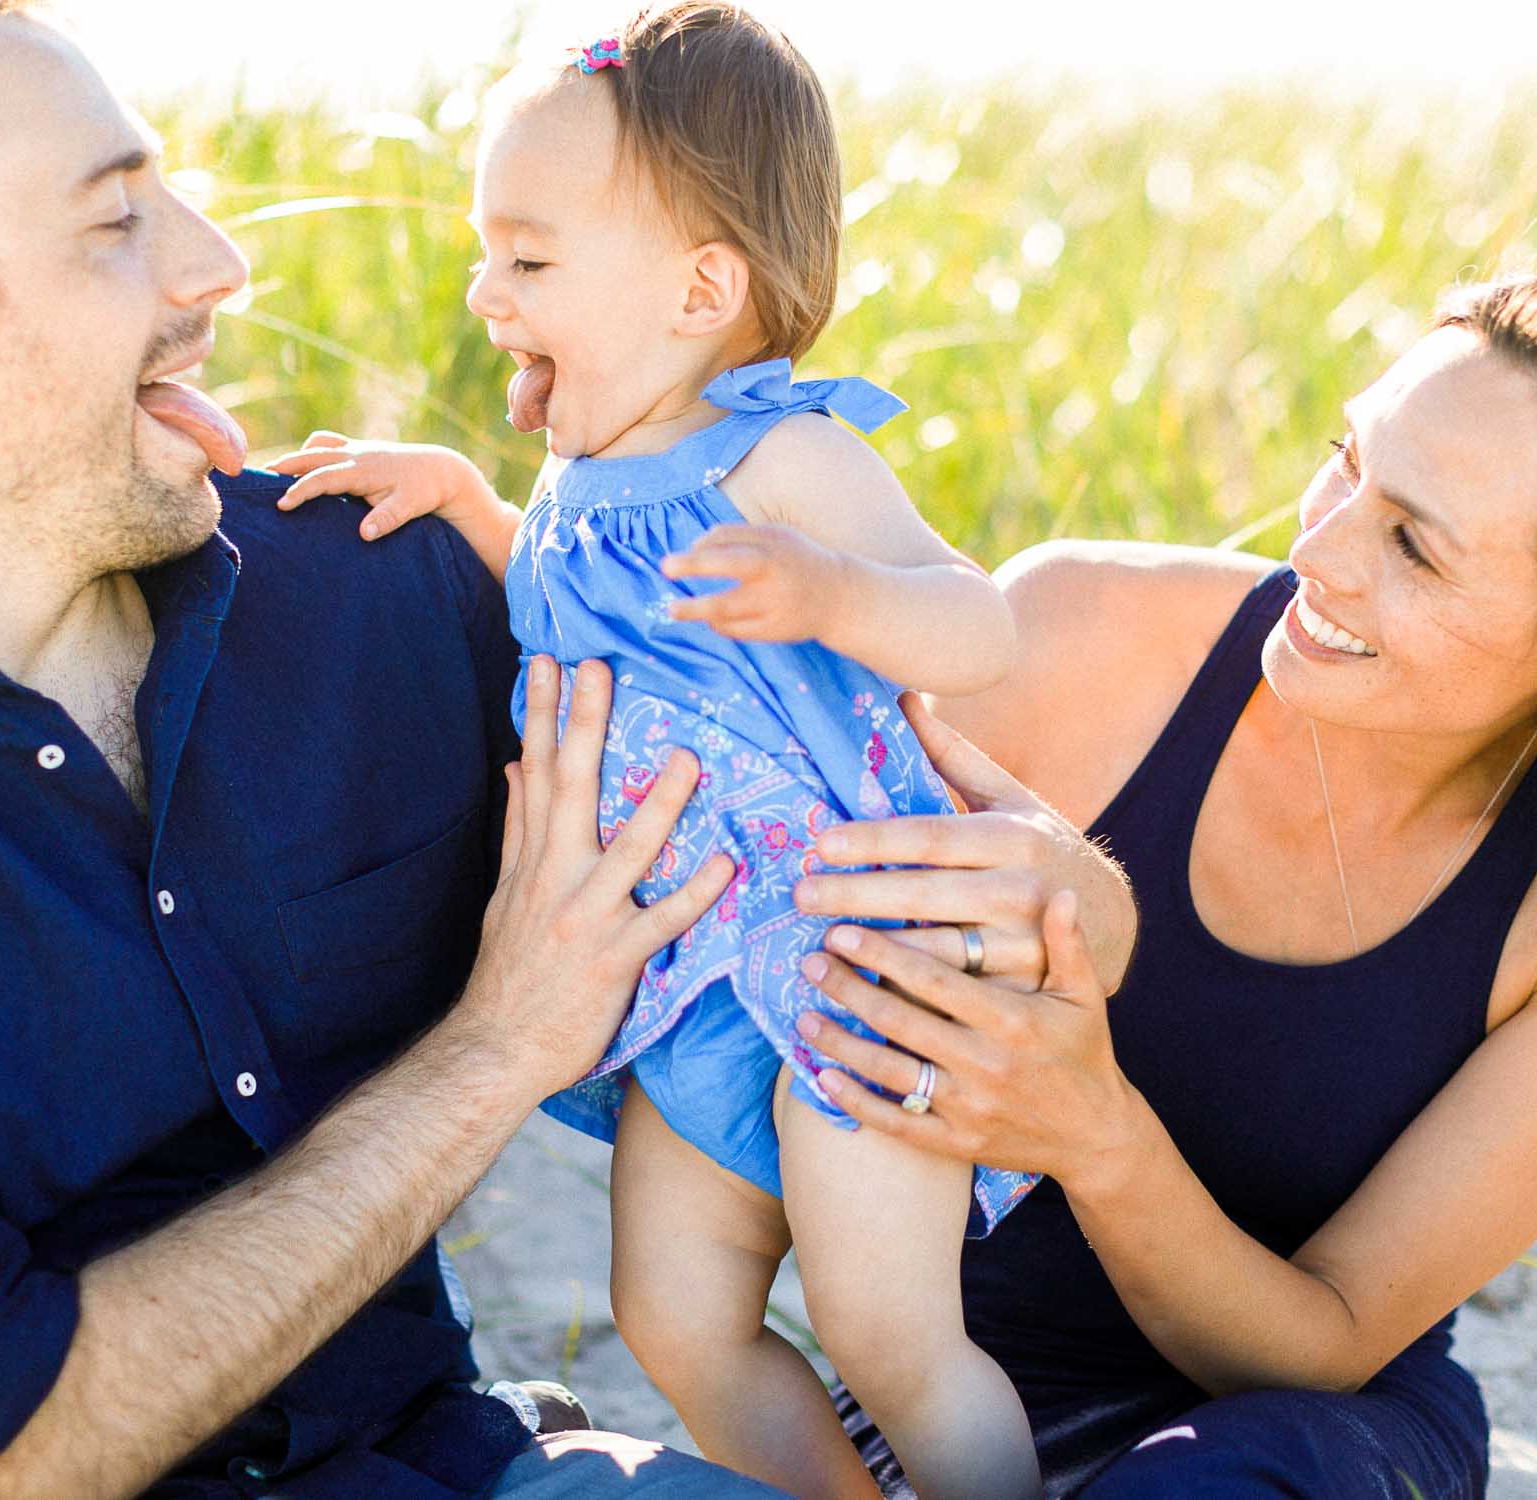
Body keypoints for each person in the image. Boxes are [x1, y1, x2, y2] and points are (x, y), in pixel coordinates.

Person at [0, 3, 1136, 1496]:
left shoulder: (371, 577)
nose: (219, 263)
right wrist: (498, 1044)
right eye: (118, 216)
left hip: (449, 1463)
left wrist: (1070, 894)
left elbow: (797, 731)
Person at [789, 265, 1537, 1496]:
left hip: (1309, 1439)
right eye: (1348, 459)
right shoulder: (1071, 631)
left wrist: (1096, 1134)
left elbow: (1334, 1338)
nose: (1318, 548)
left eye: (1414, 546)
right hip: (951, 1406)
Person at [272, 9, 1041, 1497]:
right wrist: (473, 508)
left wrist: (836, 595)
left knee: (889, 1333)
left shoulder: (781, 455)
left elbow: (978, 626)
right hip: (688, 979)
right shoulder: (577, 472)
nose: (487, 290)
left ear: (701, 288)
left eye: (531, 257)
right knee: (674, 1317)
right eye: (487, 250)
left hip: (846, 967)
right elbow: (580, 626)